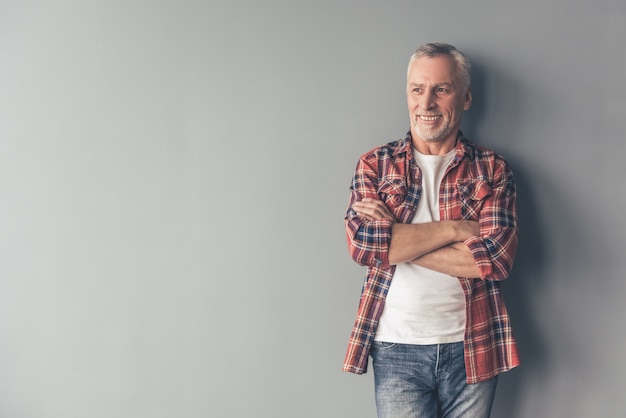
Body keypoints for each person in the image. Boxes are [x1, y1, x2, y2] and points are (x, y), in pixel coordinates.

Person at [342, 42, 520, 418]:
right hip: (396, 347)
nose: (427, 104)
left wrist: (397, 238)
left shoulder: (493, 169)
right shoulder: (374, 164)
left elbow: (495, 260)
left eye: (441, 89)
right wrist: (457, 229)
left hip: (473, 344)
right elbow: (364, 248)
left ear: (466, 96)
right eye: (417, 89)